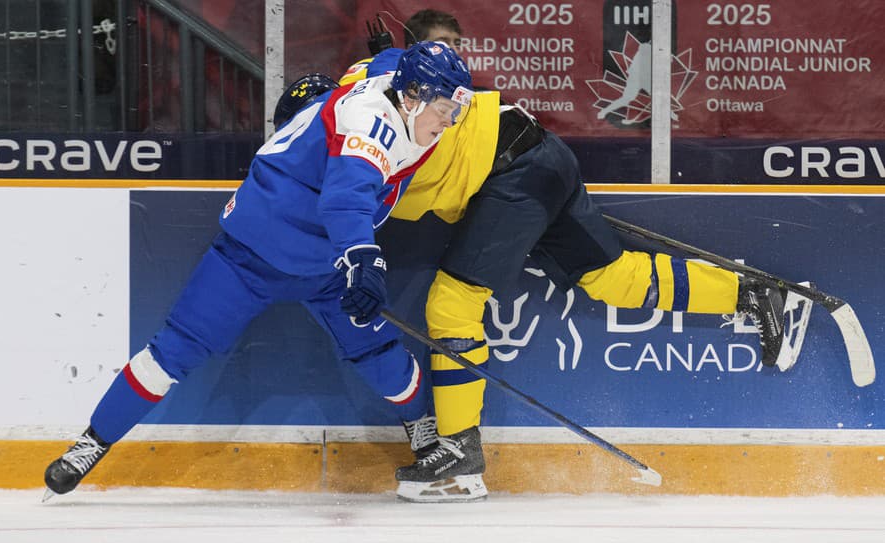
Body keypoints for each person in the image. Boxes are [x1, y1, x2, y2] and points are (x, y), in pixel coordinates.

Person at [335, 45, 797, 503]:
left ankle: (460, 455)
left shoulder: (356, 121)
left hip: (507, 170)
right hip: (539, 154)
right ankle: (751, 294)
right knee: (612, 277)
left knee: (453, 304)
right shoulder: (371, 88)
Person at [42, 41, 474, 500]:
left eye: (455, 110)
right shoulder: (370, 126)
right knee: (172, 352)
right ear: (411, 98)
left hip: (326, 264)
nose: (449, 122)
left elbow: (390, 59)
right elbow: (345, 200)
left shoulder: (396, 78)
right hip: (250, 257)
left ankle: (422, 428)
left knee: (378, 354)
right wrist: (363, 259)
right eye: (445, 110)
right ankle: (90, 443)